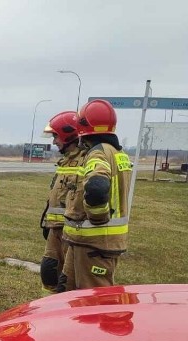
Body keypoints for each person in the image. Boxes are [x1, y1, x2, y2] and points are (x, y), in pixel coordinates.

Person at [59, 99, 132, 291]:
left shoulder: (97, 154)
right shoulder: (118, 153)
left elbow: (97, 188)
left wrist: (97, 217)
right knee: (66, 293)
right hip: (89, 244)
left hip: (95, 244)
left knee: (94, 301)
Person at [39, 111, 85, 295]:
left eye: (56, 136)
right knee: (48, 272)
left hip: (71, 232)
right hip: (55, 230)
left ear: (68, 134)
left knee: (69, 281)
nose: (54, 141)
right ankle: (46, 312)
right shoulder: (66, 162)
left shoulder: (85, 161)